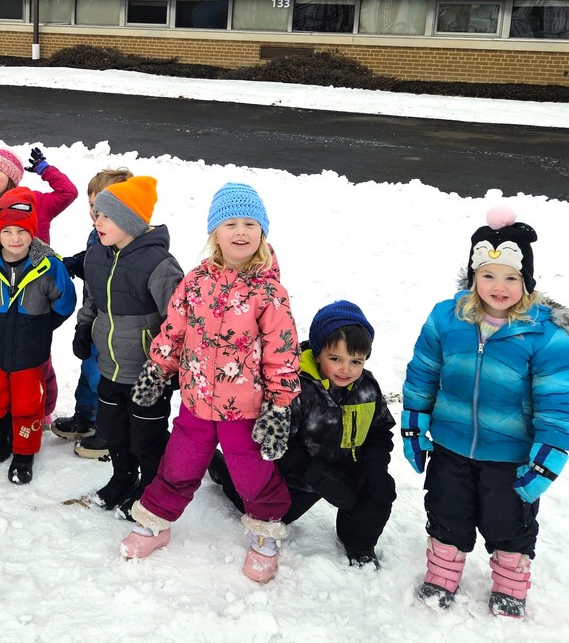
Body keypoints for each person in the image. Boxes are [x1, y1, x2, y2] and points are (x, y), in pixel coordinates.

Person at [120, 182, 300, 586]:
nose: (241, 231)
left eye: (250, 224)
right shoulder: (196, 281)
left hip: (246, 408)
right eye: (231, 223)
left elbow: (282, 351)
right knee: (178, 463)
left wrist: (279, 405)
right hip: (196, 401)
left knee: (252, 471)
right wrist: (158, 369)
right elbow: (174, 330)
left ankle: (265, 531)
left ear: (262, 232)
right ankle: (156, 521)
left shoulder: (269, 292)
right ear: (215, 232)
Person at [402, 207, 569, 618]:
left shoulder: (545, 334)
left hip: (510, 455)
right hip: (451, 446)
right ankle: (443, 574)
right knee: (446, 511)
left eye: (511, 277)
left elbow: (557, 405)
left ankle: (510, 585)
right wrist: (414, 427)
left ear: (527, 281)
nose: (499, 286)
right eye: (488, 275)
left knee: (509, 522)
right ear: (473, 277)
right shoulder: (446, 319)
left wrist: (546, 461)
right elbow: (423, 373)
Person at [209, 300, 396, 569]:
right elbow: (281, 443)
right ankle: (222, 470)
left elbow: (380, 430)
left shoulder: (367, 388)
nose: (346, 369)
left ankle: (359, 544)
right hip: (300, 473)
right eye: (336, 359)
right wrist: (320, 480)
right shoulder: (296, 387)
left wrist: (376, 467)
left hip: (346, 466)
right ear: (318, 353)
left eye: (356, 361)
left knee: (378, 491)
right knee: (272, 512)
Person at [72, 176, 184, 518]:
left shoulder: (159, 264)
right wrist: (84, 326)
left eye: (107, 216)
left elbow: (179, 320)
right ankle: (122, 477)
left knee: (146, 437)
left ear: (130, 221)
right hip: (109, 365)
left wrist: (171, 366)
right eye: (97, 214)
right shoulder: (96, 256)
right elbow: (92, 299)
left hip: (147, 373)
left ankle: (150, 485)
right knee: (113, 430)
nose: (98, 221)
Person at [0, 189, 76, 483]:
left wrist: (39, 327)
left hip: (29, 354)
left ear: (33, 231)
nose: (15, 238)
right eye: (7, 231)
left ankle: (24, 451)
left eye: (22, 231)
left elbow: (64, 303)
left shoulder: (49, 266)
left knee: (28, 402)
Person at [0, 146, 79, 426]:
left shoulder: (37, 203)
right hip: (0, 300)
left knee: (38, 361)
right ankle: (2, 413)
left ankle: (42, 408)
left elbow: (68, 193)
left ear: (11, 175)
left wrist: (45, 169)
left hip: (36, 292)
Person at [52, 168, 134, 460]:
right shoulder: (96, 234)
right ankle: (84, 418)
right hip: (93, 317)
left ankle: (108, 430)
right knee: (88, 373)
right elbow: (95, 259)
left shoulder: (128, 242)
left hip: (116, 327)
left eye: (103, 208)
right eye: (92, 206)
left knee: (103, 379)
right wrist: (78, 262)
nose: (95, 214)